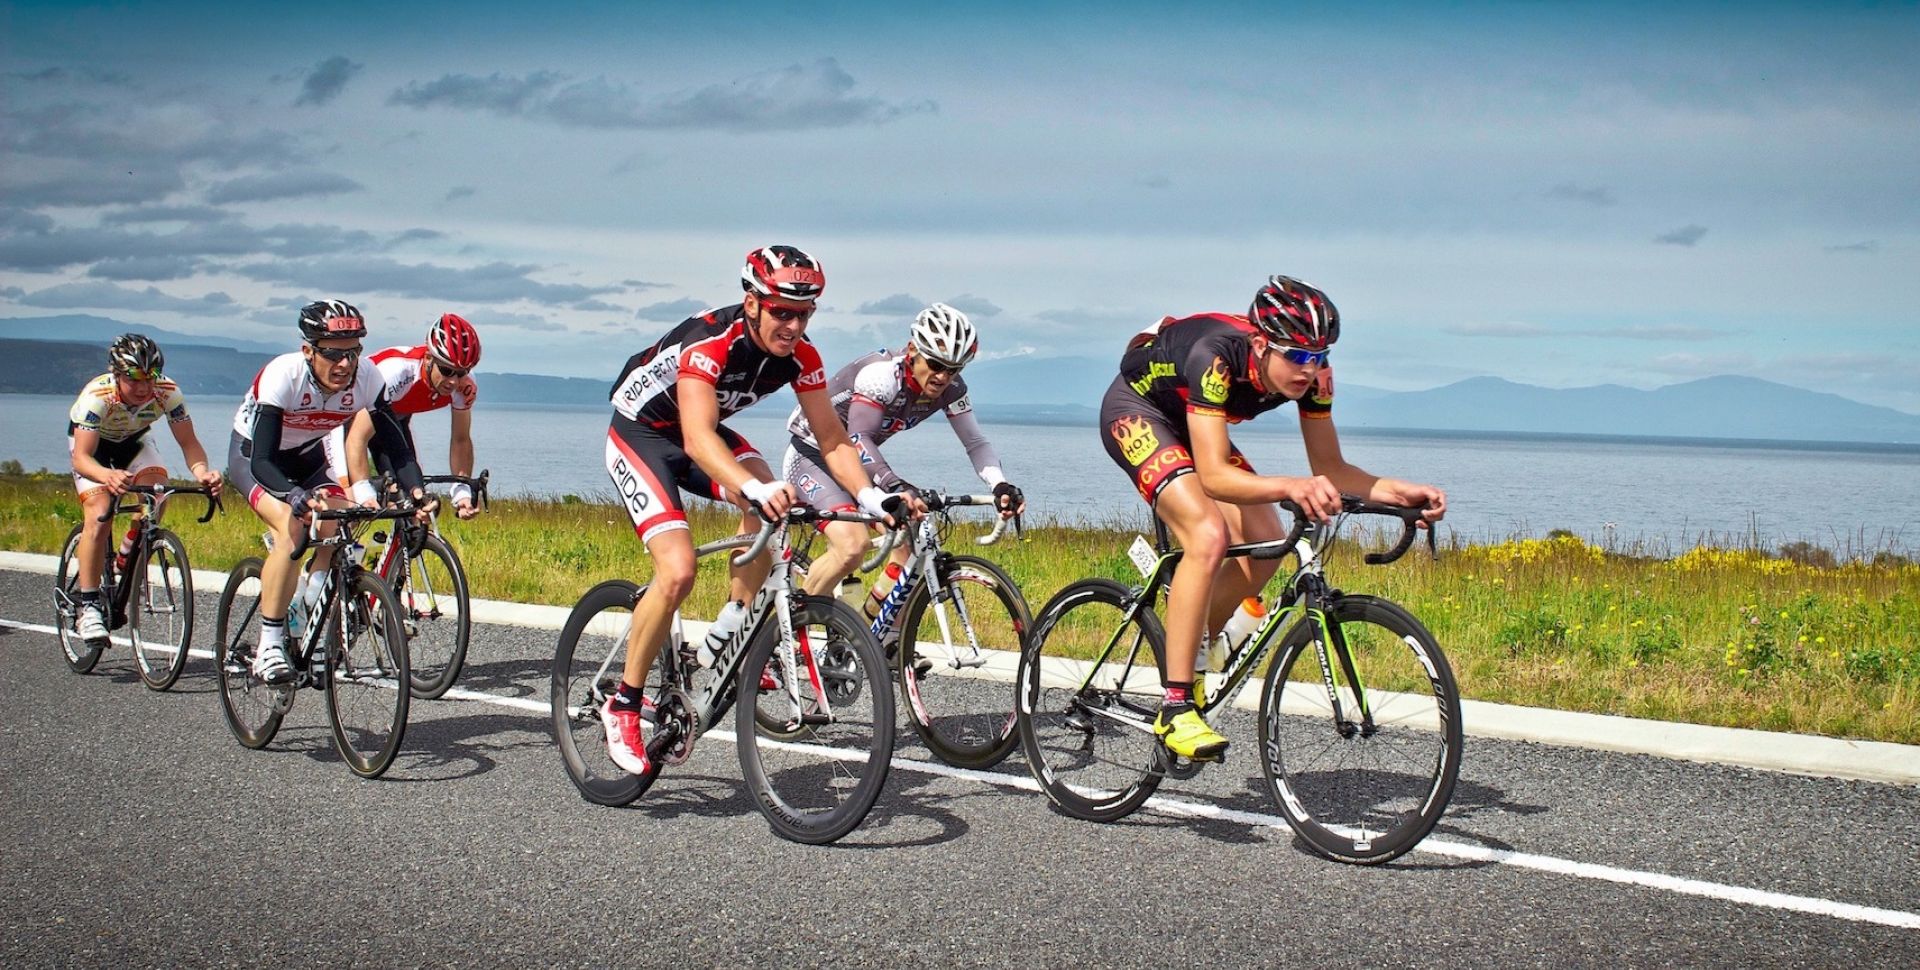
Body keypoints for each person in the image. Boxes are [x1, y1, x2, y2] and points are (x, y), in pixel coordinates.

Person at [1099, 275, 1446, 759]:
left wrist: (1396, 492)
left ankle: (1199, 642)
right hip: (1138, 411)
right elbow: (1217, 478)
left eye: (1321, 356)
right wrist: (1291, 485)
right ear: (1261, 344)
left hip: (1195, 422)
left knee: (1267, 540)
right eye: (1299, 357)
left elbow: (1332, 468)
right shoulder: (1215, 358)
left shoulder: (1315, 379)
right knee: (1206, 534)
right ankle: (1175, 707)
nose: (1311, 369)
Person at [598, 244, 913, 776]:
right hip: (642, 435)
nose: (793, 326)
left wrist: (870, 497)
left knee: (774, 505)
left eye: (805, 314)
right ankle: (623, 703)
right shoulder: (709, 343)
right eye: (782, 312)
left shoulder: (803, 357)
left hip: (700, 432)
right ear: (752, 303)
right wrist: (751, 486)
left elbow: (833, 438)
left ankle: (730, 627)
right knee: (677, 571)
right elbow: (697, 440)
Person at [228, 300, 432, 685]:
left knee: (343, 522)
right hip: (255, 458)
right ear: (308, 351)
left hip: (308, 457)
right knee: (293, 525)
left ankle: (315, 618)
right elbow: (262, 461)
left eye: (353, 353)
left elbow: (393, 447)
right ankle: (269, 642)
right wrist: (293, 497)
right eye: (333, 354)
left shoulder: (368, 378)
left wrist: (416, 494)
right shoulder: (283, 376)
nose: (344, 364)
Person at [781, 302, 1025, 612]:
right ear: (912, 350)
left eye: (953, 369)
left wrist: (1000, 485)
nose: (942, 377)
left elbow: (975, 442)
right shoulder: (881, 376)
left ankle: (874, 639)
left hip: (858, 464)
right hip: (813, 455)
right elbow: (860, 438)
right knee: (851, 546)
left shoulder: (952, 390)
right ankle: (790, 633)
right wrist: (896, 485)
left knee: (912, 544)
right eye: (935, 364)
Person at [64, 334, 224, 645]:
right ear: (117, 375)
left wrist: (203, 472)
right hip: (92, 451)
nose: (143, 388)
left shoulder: (168, 393)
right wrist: (106, 476)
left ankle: (124, 557)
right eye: (133, 379)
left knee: (157, 494)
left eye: (149, 378)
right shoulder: (97, 397)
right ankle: (89, 605)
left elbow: (189, 444)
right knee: (99, 514)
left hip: (134, 444)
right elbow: (81, 458)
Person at [328, 313, 485, 519]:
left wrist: (462, 491)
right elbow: (357, 437)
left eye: (462, 372)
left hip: (393, 420)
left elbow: (461, 440)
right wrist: (361, 489)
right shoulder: (397, 372)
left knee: (417, 505)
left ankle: (399, 548)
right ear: (428, 358)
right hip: (343, 419)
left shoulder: (465, 386)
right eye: (447, 370)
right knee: (349, 502)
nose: (454, 381)